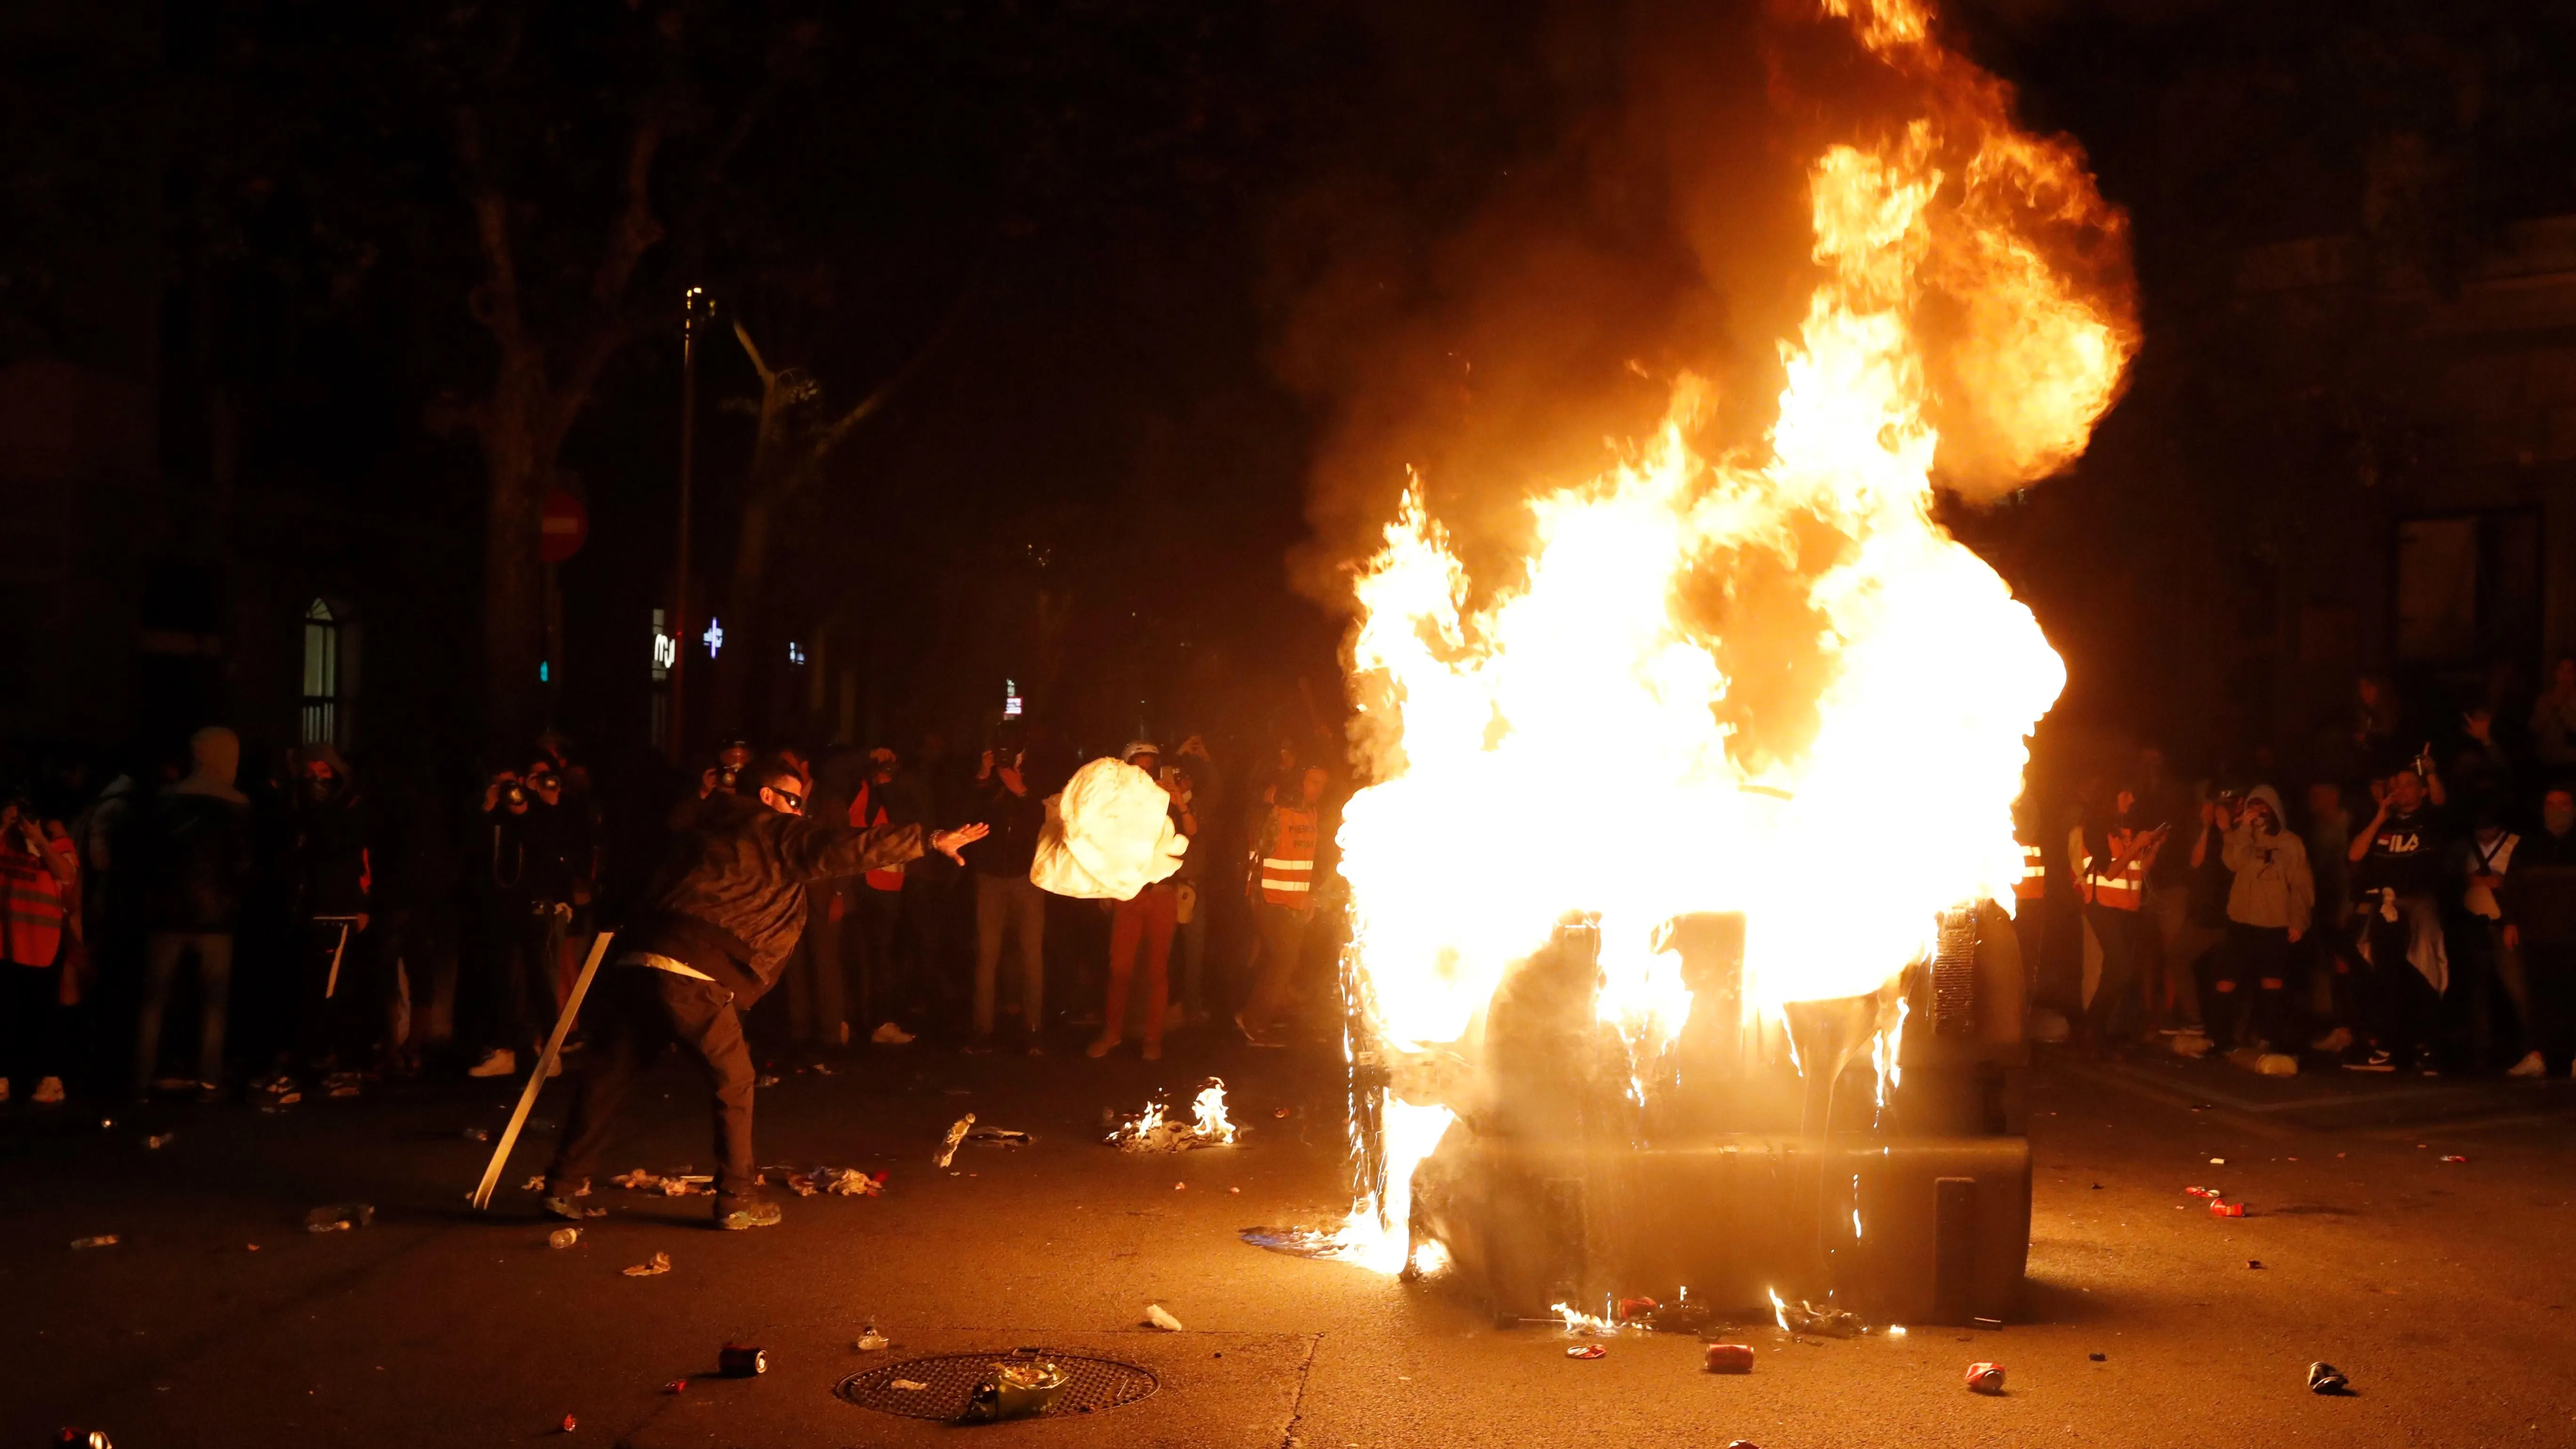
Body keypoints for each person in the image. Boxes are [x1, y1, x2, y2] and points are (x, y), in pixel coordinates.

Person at [540, 756, 984, 1230]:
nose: (799, 810)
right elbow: (841, 846)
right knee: (734, 1081)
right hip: (695, 970)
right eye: (793, 800)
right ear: (768, 796)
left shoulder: (704, 830)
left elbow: (643, 875)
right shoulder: (770, 830)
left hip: (644, 959)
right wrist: (928, 839)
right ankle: (737, 1199)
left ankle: (566, 1185)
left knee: (612, 1075)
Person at [136, 727, 253, 1102]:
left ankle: (140, 1080)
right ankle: (209, 1081)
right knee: (214, 1004)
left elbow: (148, 858)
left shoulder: (166, 800)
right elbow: (244, 864)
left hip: (166, 916)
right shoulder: (238, 805)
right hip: (217, 919)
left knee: (153, 1002)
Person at [470, 762, 591, 1079]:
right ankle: (505, 1050)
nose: (512, 791)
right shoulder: (496, 815)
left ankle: (550, 1052)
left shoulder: (543, 812)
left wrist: (528, 809)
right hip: (503, 908)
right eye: (503, 784)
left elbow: (550, 850)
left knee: (540, 982)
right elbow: (479, 852)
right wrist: (488, 807)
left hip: (538, 908)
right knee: (503, 982)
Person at [2345, 751, 2451, 1073]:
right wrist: (2380, 816)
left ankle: (2426, 1048)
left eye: (2408, 785)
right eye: (2397, 785)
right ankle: (2387, 1048)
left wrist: (2430, 775)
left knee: (2424, 972)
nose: (2402, 790)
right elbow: (2355, 854)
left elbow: (2442, 804)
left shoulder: (2430, 820)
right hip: (2387, 907)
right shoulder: (2385, 824)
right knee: (2385, 976)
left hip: (2419, 905)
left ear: (2420, 791)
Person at [1089, 742, 1195, 1062]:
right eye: (1141, 767)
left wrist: (1179, 800)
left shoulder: (1168, 800)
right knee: (1120, 969)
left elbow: (1192, 831)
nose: (1147, 773)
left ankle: (1152, 1038)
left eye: (1152, 767)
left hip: (1162, 894)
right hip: (1130, 894)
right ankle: (1112, 1034)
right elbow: (1105, 844)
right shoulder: (1119, 803)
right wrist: (1107, 888)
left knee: (1157, 971)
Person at [283, 743, 374, 1089]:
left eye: (324, 769)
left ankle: (335, 1058)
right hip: (311, 908)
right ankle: (318, 1055)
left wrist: (361, 904)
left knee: (332, 989)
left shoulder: (349, 806)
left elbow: (356, 856)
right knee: (311, 986)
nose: (317, 776)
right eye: (311, 771)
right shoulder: (301, 807)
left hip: (337, 907)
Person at [2210, 786, 2313, 1055]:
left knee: (2272, 982)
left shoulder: (2291, 843)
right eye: (2253, 807)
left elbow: (2301, 885)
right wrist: (2243, 830)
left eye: (2264, 807)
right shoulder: (2241, 838)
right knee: (2227, 980)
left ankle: (2271, 1039)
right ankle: (2221, 1039)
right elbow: (2232, 862)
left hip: (2274, 922)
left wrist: (2298, 920)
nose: (2259, 812)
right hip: (2241, 920)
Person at [964, 733, 1048, 1053]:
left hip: (1028, 877)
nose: (1004, 756)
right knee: (987, 955)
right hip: (990, 877)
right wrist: (984, 778)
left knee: (1032, 955)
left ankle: (1033, 1029)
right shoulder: (985, 785)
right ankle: (981, 1030)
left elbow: (1050, 821)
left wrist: (1023, 790)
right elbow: (968, 817)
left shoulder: (1036, 779)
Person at [1237, 763, 1330, 1047]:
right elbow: (1258, 841)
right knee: (1284, 960)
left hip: (1295, 902)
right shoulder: (1277, 811)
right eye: (1313, 782)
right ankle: (1253, 1022)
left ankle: (1259, 1013)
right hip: (1270, 899)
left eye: (1322, 784)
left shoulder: (1312, 814)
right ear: (1299, 782)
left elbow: (1305, 862)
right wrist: (1266, 807)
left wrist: (1308, 897)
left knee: (1282, 960)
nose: (1318, 789)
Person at [2, 793, 81, 1104]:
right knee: (5, 1012)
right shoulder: (5, 839)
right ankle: (4, 1078)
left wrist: (40, 841)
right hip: (7, 941)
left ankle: (50, 1078)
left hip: (44, 943)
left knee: (44, 1013)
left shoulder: (56, 839)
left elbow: (67, 876)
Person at [2075, 781, 2164, 1048]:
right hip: (2103, 908)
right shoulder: (2095, 828)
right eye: (2127, 793)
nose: (2133, 798)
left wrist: (2155, 847)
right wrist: (2137, 845)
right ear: (2112, 796)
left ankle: (2098, 1035)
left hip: (2126, 909)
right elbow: (2109, 872)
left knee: (2116, 972)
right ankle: (2093, 1028)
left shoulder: (2125, 831)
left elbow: (2139, 871)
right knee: (2121, 969)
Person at [2458, 801, 2539, 1076]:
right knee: (2477, 990)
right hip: (2472, 923)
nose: (2484, 834)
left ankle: (2532, 1048)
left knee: (2517, 988)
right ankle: (2481, 1051)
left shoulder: (2517, 844)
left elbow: (2521, 882)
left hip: (2503, 923)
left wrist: (2498, 884)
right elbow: (2455, 878)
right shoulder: (2465, 845)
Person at [2502, 783, 2576, 1078]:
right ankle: (2537, 1055)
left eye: (2564, 804)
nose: (2557, 810)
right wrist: (2510, 921)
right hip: (2538, 934)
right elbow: (2513, 884)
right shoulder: (2530, 844)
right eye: (2551, 804)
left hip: (2573, 934)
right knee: (2537, 997)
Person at [2530, 659, 2576, 772]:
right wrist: (2550, 707)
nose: (2565, 676)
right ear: (2555, 673)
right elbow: (2534, 729)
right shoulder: (2544, 700)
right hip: (2547, 763)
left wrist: (2561, 709)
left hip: (2572, 763)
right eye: (2562, 670)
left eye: (2570, 671)